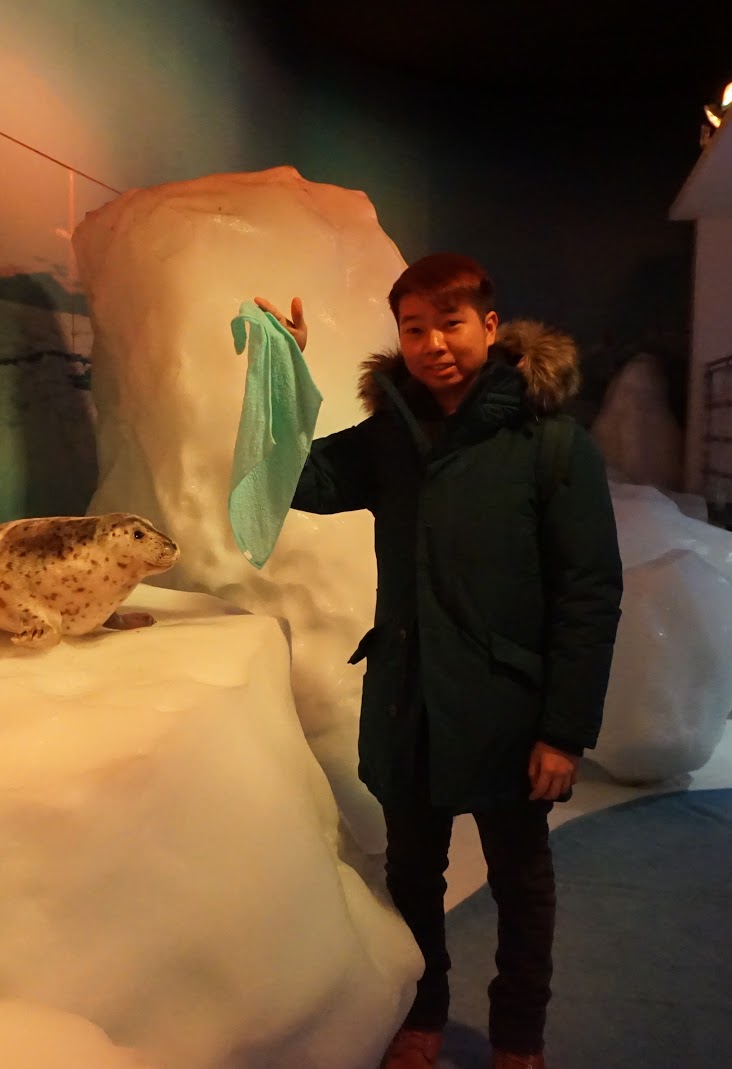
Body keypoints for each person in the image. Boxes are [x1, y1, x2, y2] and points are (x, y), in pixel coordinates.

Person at [254, 253, 622, 1069]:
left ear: (488, 326)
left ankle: (518, 1035)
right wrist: (284, 370)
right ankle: (421, 1013)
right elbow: (299, 483)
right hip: (409, 699)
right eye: (414, 328)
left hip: (507, 707)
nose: (432, 345)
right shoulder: (393, 436)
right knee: (414, 873)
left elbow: (589, 595)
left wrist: (563, 730)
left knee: (521, 879)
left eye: (449, 323)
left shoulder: (551, 443)